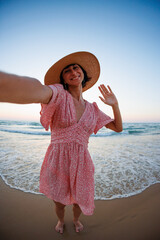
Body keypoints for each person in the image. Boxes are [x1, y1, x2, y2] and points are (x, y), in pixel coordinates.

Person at [0, 51, 122, 234]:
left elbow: (117, 127)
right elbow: (38, 90)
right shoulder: (58, 94)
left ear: (83, 74)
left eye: (76, 68)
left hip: (82, 162)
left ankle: (75, 220)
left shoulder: (92, 109)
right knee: (59, 202)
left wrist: (115, 105)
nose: (73, 72)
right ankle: (60, 220)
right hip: (58, 160)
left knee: (79, 200)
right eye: (67, 71)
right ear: (63, 79)